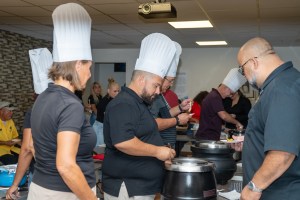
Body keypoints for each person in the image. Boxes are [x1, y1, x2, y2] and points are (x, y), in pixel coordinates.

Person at [28, 3, 97, 200]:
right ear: (77, 65)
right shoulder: (71, 105)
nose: (89, 74)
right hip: (66, 193)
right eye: (88, 67)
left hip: (40, 188)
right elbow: (66, 166)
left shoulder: (42, 99)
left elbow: (33, 146)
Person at [102, 33, 176, 200]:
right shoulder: (123, 103)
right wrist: (158, 151)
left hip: (139, 187)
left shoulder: (138, 103)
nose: (158, 91)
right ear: (142, 79)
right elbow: (124, 141)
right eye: (156, 85)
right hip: (127, 188)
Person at [232, 37, 300, 200]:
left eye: (242, 69)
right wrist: (251, 140)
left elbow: (282, 153)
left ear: (254, 62)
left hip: (279, 192)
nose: (244, 76)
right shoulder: (285, 82)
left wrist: (254, 187)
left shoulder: (281, 89)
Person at [6, 48, 53, 200]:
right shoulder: (70, 106)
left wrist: (14, 185)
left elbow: (27, 149)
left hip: (42, 175)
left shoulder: (33, 111)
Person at [149, 41, 192, 148]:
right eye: (170, 80)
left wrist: (180, 108)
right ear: (161, 79)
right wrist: (177, 120)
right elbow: (153, 123)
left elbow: (165, 114)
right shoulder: (152, 96)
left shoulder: (160, 95)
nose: (172, 84)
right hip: (158, 146)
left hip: (166, 145)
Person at [195, 68, 246, 141]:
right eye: (230, 93)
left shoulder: (214, 96)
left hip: (208, 137)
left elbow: (212, 120)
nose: (229, 96)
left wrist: (225, 129)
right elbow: (224, 116)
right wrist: (237, 123)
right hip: (207, 138)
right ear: (226, 88)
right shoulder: (214, 97)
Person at [93, 78, 120, 146]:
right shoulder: (105, 102)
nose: (117, 93)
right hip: (100, 127)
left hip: (104, 126)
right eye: (115, 91)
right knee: (100, 149)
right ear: (108, 91)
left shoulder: (114, 100)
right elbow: (109, 118)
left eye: (118, 91)